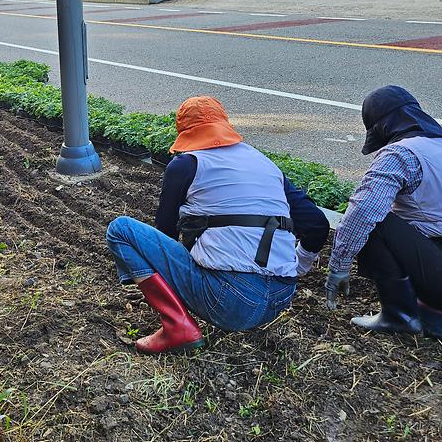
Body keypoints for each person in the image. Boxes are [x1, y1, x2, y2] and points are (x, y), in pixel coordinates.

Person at [105, 97, 330, 354]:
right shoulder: (263, 163)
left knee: (121, 229)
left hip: (231, 303)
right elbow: (317, 223)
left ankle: (176, 326)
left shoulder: (186, 165)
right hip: (280, 299)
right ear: (224, 124)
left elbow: (164, 232)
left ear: (185, 134)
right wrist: (298, 266)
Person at [325, 86, 442, 334]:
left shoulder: (400, 153)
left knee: (375, 220)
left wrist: (339, 266)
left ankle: (398, 315)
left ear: (382, 129)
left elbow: (362, 212)